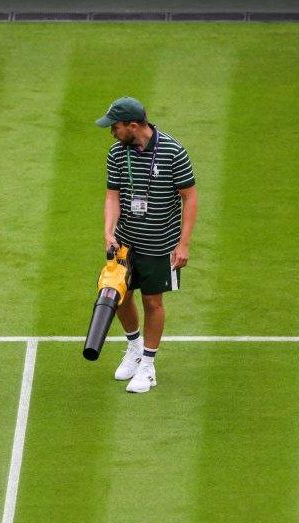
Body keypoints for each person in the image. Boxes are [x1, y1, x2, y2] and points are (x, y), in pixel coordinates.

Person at [96, 96, 198, 393]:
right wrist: (108, 231)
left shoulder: (173, 152)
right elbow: (112, 195)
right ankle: (134, 346)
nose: (111, 132)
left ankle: (149, 366)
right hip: (126, 243)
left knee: (153, 302)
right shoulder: (117, 153)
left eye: (114, 126)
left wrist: (184, 244)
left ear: (133, 125)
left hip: (159, 245)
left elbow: (189, 197)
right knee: (118, 296)